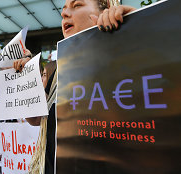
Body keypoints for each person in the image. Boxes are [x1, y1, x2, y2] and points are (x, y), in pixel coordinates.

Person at [13, 1, 136, 173]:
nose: (64, 14)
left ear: (106, 11)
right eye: (63, 10)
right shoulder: (55, 68)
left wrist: (140, 24)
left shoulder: (127, 56)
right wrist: (27, 78)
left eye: (77, 5)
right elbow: (35, 120)